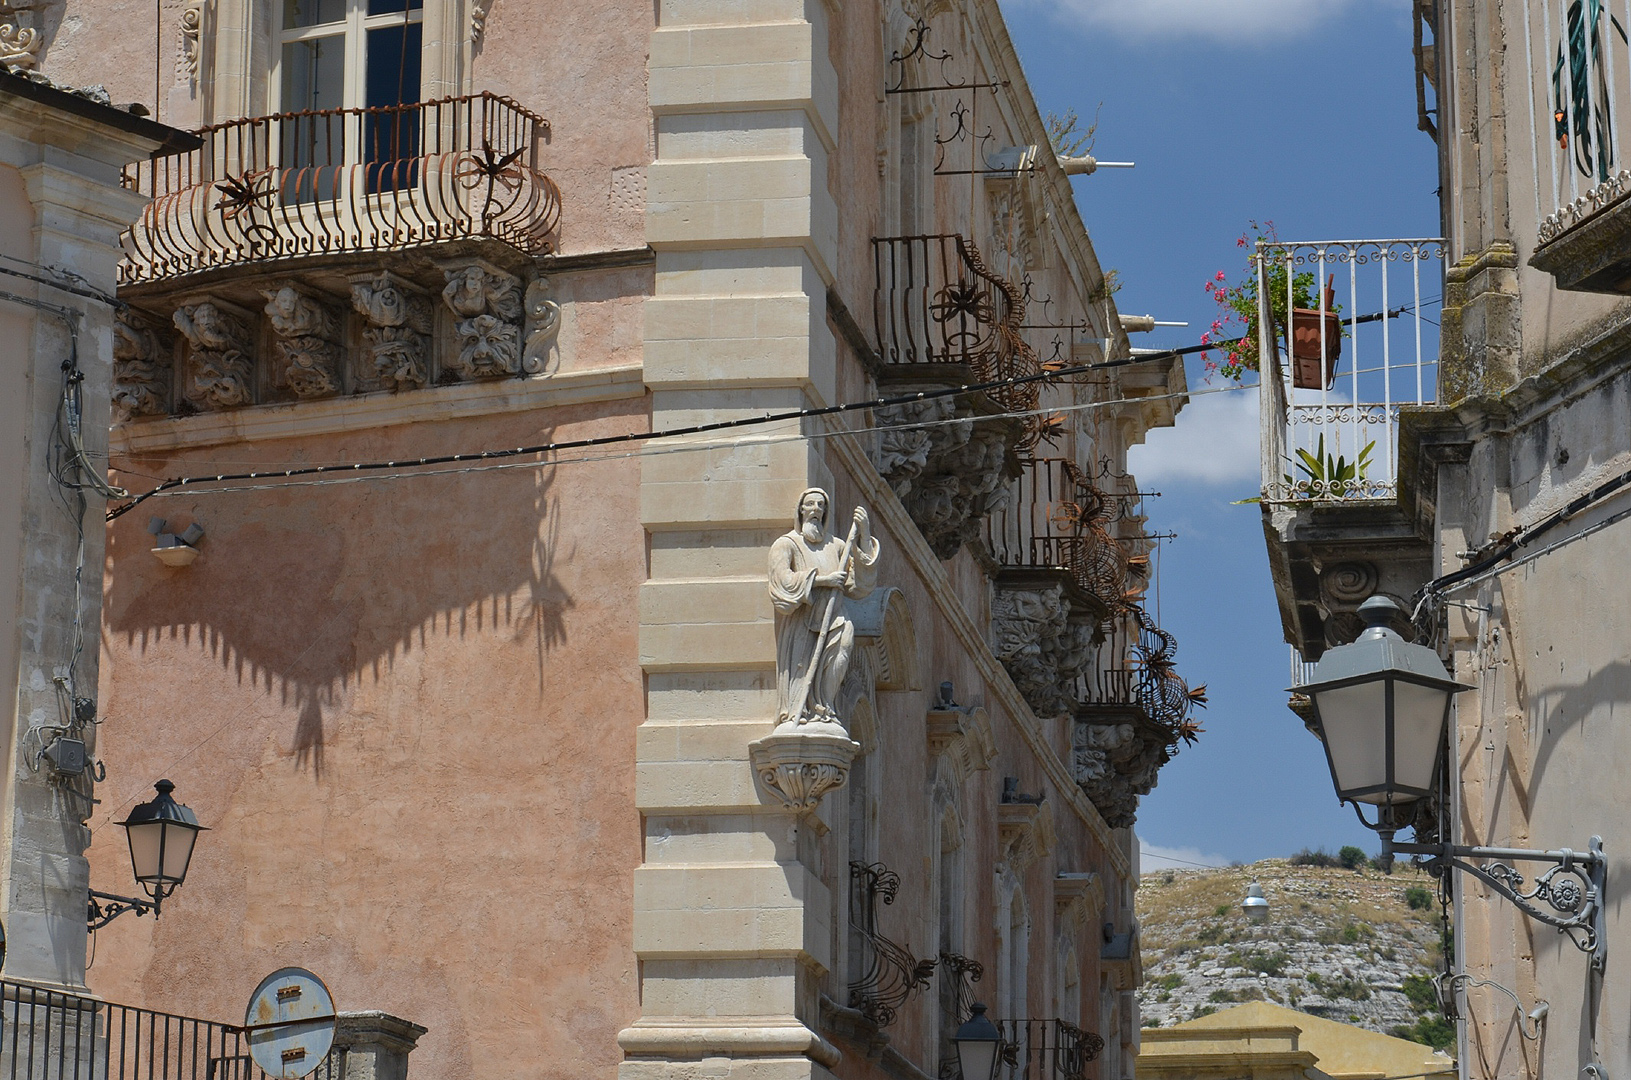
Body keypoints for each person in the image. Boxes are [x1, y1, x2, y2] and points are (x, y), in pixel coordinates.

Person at [768, 488, 880, 726]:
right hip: (803, 623)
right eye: (811, 504)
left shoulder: (838, 546)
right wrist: (822, 581)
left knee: (842, 653)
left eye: (821, 505)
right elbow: (781, 582)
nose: (816, 509)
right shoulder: (787, 544)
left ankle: (825, 706)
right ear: (801, 509)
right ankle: (802, 711)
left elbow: (859, 585)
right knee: (802, 671)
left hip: (835, 618)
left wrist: (865, 534)